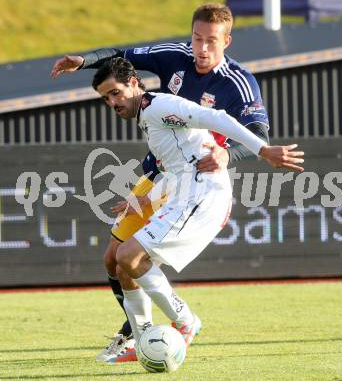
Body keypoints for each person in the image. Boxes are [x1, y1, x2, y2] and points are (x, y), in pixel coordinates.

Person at [51, 4, 273, 362]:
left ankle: (173, 325)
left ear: (227, 41)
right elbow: (121, 56)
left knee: (131, 257)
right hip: (161, 173)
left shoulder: (237, 82)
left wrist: (228, 154)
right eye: (197, 38)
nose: (201, 48)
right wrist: (84, 60)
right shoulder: (174, 57)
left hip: (196, 179)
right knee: (113, 258)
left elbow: (258, 131)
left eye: (211, 42)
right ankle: (139, 338)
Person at [91, 57, 304, 363]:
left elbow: (217, 118)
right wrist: (144, 200)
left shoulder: (161, 107)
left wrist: (262, 149)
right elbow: (178, 168)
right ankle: (142, 342)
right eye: (105, 98)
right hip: (184, 194)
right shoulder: (148, 117)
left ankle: (185, 321)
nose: (112, 101)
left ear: (134, 83)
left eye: (115, 92)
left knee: (127, 255)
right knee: (123, 264)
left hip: (203, 197)